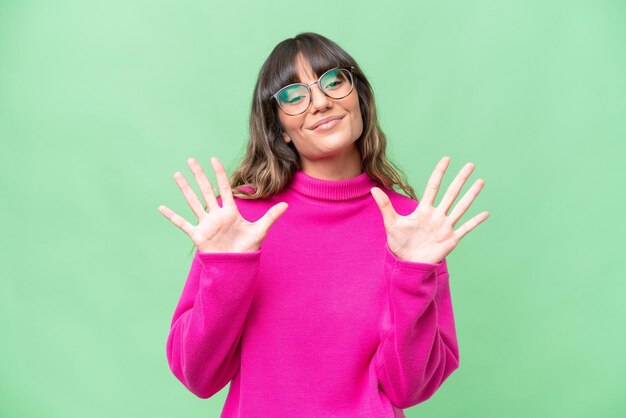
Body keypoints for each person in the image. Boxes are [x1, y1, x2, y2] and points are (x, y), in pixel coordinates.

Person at [158, 32, 489, 418]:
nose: (320, 101)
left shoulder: (411, 226)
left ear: (358, 98)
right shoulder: (239, 221)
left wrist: (412, 276)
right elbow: (199, 377)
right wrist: (227, 271)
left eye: (333, 81)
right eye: (294, 95)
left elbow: (409, 389)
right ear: (279, 127)